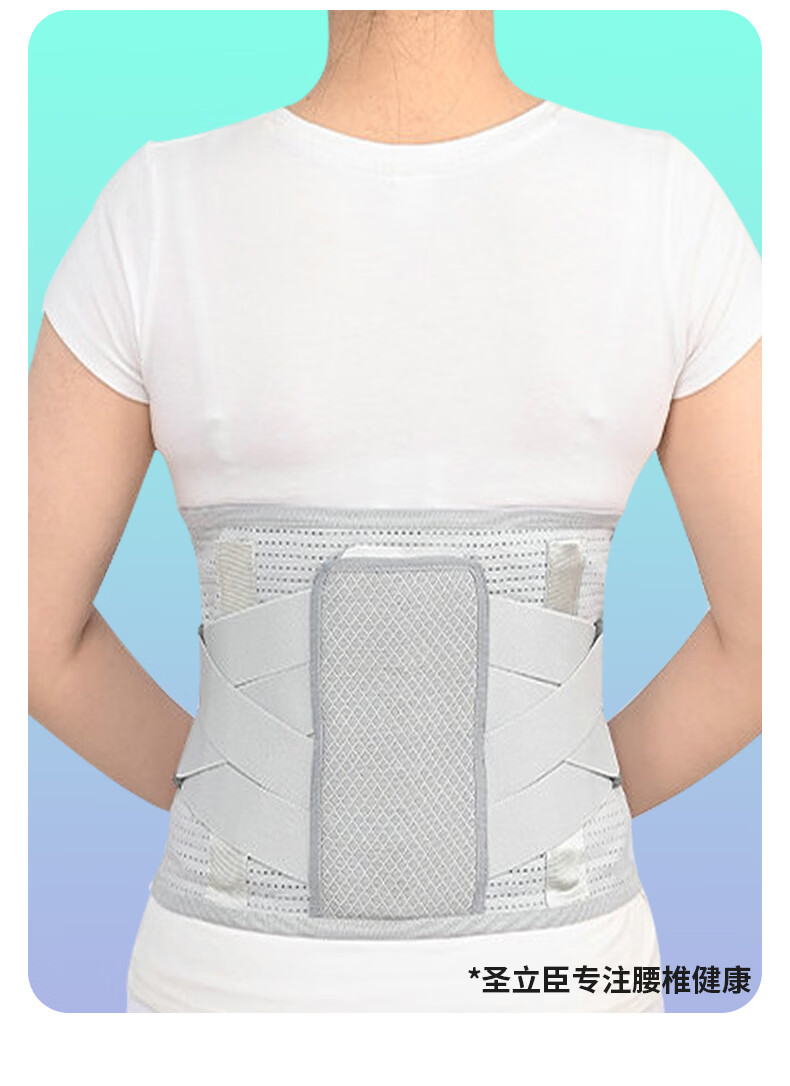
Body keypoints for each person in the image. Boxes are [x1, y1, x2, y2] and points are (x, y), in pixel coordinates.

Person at [28, 11, 761, 1013]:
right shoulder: (662, 203)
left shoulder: (157, 209)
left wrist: (245, 792)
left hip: (227, 986)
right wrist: (557, 794)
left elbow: (29, 636)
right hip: (558, 989)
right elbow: (766, 640)